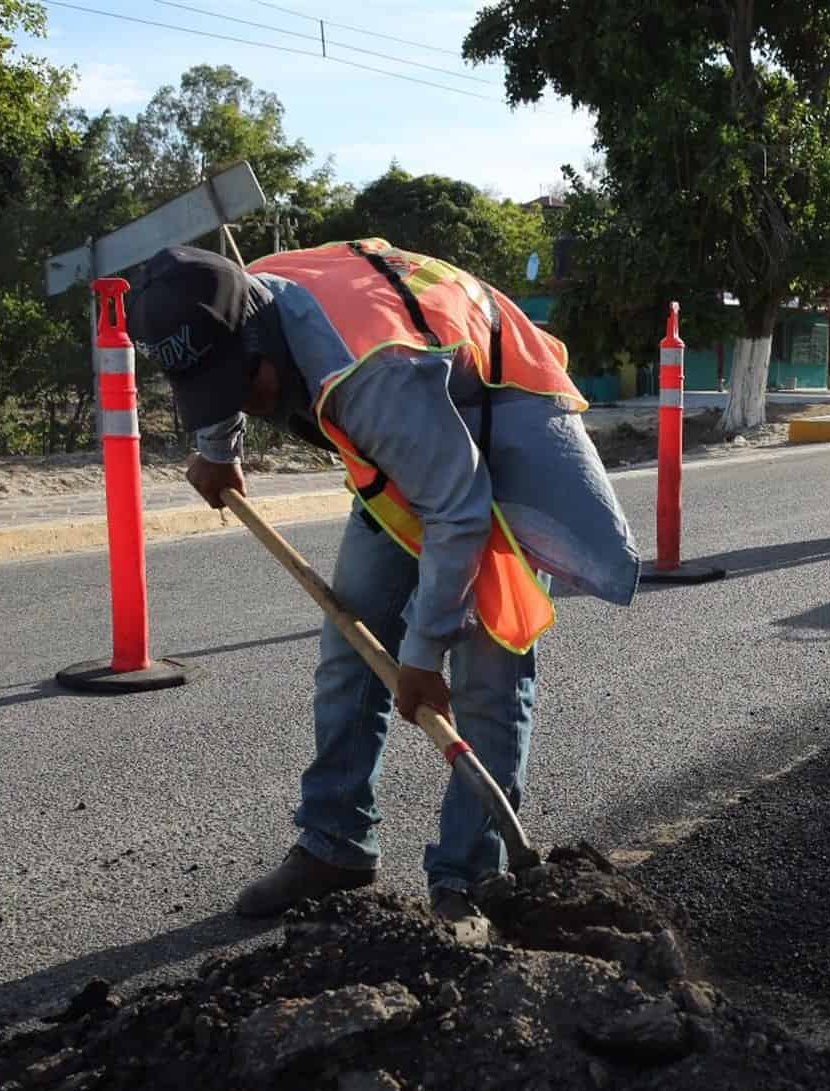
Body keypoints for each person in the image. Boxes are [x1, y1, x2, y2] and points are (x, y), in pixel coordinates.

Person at [127, 240, 639, 929]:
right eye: (217, 388)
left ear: (258, 328)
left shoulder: (369, 373)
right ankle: (334, 844)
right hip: (412, 450)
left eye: (245, 380)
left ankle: (470, 875)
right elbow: (222, 373)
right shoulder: (243, 310)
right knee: (352, 644)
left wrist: (424, 656)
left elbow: (458, 509)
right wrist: (219, 452)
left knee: (485, 671)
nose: (247, 398)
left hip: (503, 420)